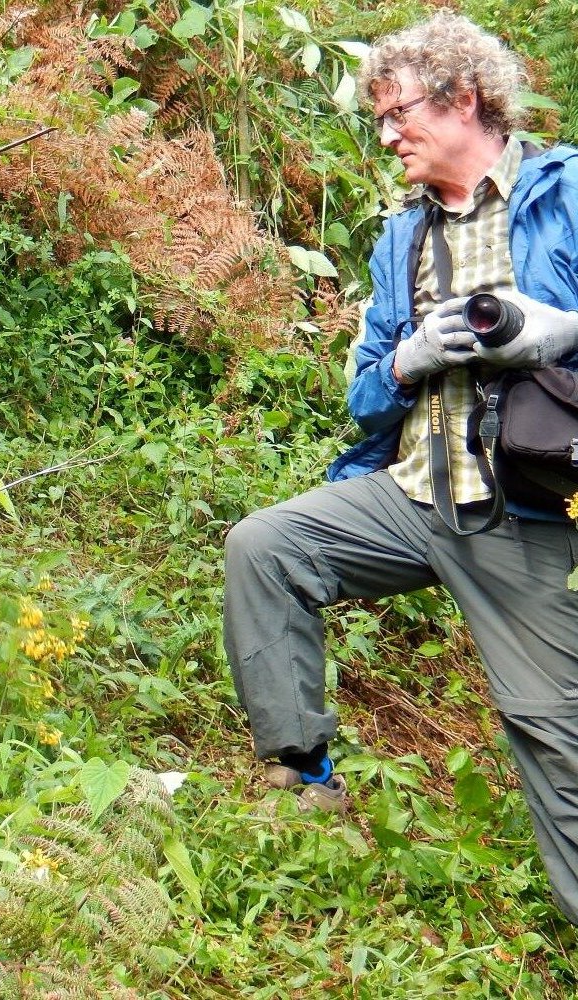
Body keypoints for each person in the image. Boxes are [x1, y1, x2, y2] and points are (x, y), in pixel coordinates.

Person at [222, 11, 578, 921]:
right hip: (414, 494)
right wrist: (408, 358)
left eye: (399, 115)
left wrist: (554, 334)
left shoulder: (565, 191)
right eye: (379, 121)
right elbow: (368, 399)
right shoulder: (400, 238)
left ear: (463, 98)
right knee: (265, 549)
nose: (387, 137)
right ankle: (306, 782)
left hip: (526, 511)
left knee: (557, 736)